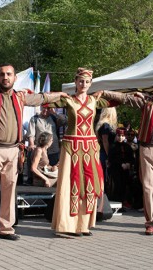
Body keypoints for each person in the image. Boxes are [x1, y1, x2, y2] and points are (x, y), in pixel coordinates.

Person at [0, 63, 67, 243]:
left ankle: (6, 228)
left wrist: (61, 95)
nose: (5, 77)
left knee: (10, 191)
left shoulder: (21, 97)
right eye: (2, 74)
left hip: (13, 150)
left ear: (15, 78)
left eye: (9, 74)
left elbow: (42, 98)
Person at [98, 74, 153, 236]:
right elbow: (125, 98)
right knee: (148, 188)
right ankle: (150, 223)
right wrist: (104, 92)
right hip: (147, 149)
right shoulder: (146, 102)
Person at [50, 68, 116, 237]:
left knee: (88, 185)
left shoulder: (95, 100)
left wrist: (107, 92)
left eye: (87, 82)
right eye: (80, 81)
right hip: (71, 147)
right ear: (75, 82)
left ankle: (83, 225)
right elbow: (46, 103)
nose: (83, 84)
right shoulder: (68, 100)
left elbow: (116, 101)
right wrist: (56, 95)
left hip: (90, 147)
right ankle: (67, 225)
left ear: (91, 84)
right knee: (69, 184)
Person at [107, 127, 135, 208]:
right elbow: (112, 158)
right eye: (119, 136)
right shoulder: (113, 146)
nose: (120, 138)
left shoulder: (127, 147)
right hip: (116, 169)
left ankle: (123, 202)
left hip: (125, 170)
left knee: (124, 185)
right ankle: (117, 202)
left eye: (122, 136)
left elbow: (131, 158)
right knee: (117, 186)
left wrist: (128, 164)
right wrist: (120, 164)